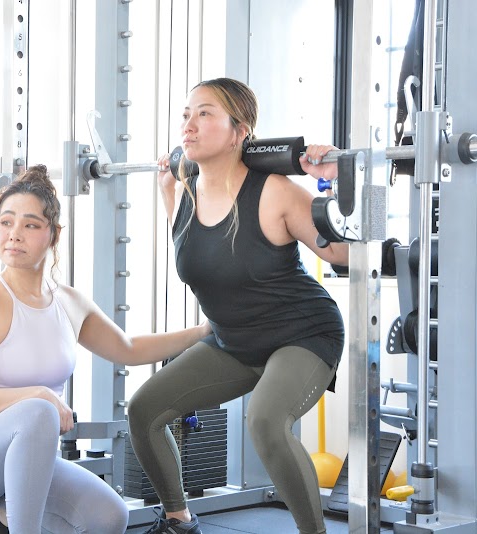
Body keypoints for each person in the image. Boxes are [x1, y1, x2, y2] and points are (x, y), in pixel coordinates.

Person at [0, 164, 211, 534]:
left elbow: (128, 348)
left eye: (30, 225)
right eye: (6, 222)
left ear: (53, 234)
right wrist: (40, 394)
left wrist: (203, 332)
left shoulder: (68, 302)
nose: (14, 234)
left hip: (25, 452)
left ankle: (4, 515)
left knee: (109, 518)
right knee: (38, 411)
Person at [127, 77, 349, 534]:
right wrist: (167, 183)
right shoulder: (181, 192)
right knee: (144, 409)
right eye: (186, 115)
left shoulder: (274, 191)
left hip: (303, 335)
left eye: (205, 113)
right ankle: (178, 521)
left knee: (265, 421)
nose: (188, 125)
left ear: (239, 131)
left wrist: (336, 182)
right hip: (234, 343)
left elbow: (344, 254)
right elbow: (204, 261)